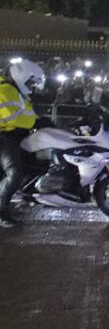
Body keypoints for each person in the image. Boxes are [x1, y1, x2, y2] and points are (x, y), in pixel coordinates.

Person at [0, 59, 44, 227]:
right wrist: (36, 122)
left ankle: (24, 198)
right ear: (22, 76)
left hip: (13, 135)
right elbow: (14, 117)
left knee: (30, 164)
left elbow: (27, 113)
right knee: (15, 172)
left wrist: (38, 120)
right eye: (30, 82)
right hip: (4, 136)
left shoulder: (15, 91)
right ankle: (1, 213)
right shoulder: (5, 90)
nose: (31, 86)